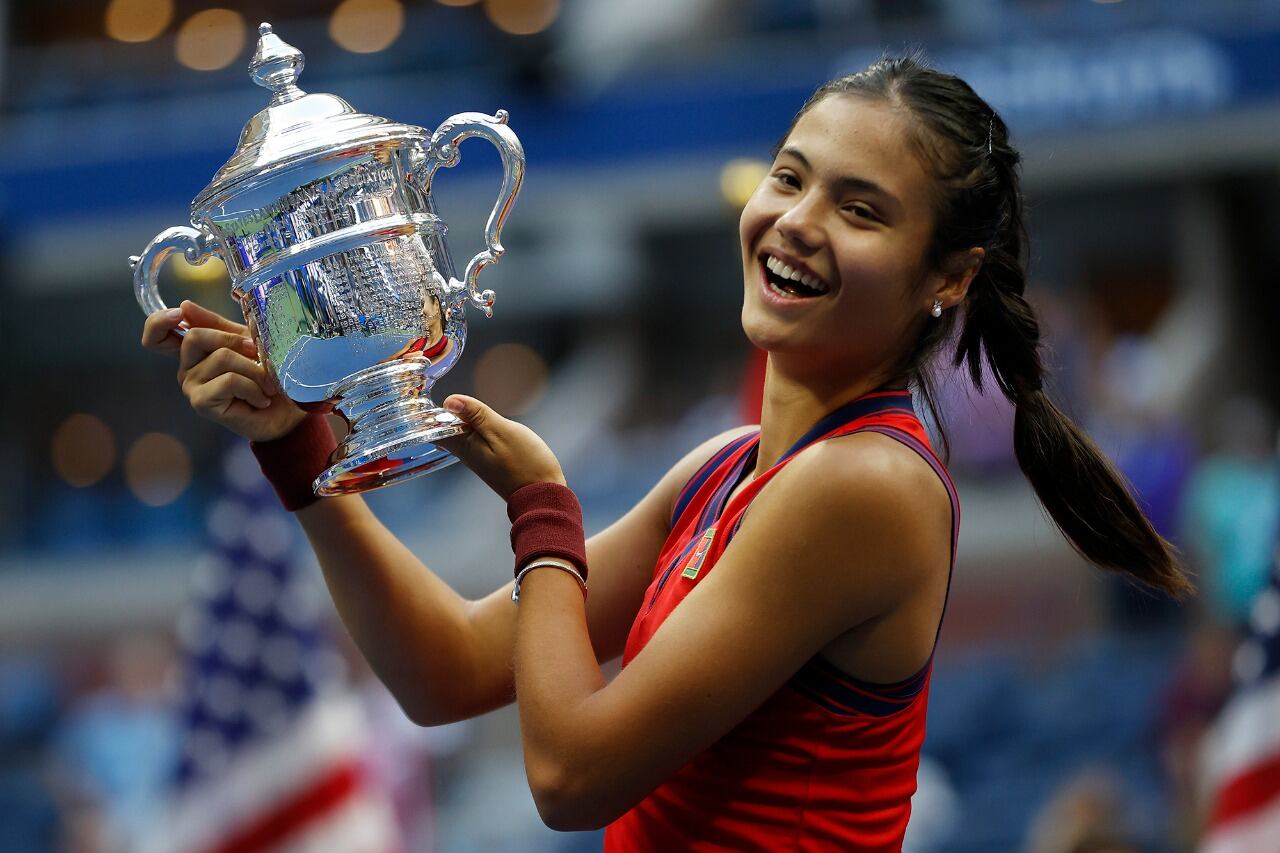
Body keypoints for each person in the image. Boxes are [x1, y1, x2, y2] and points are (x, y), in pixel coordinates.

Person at [142, 56, 1193, 851]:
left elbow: (568, 776)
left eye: (860, 208)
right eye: (791, 177)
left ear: (946, 278)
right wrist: (299, 449)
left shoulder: (862, 484)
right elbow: (449, 671)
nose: (796, 222)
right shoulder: (728, 465)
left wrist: (542, 508)